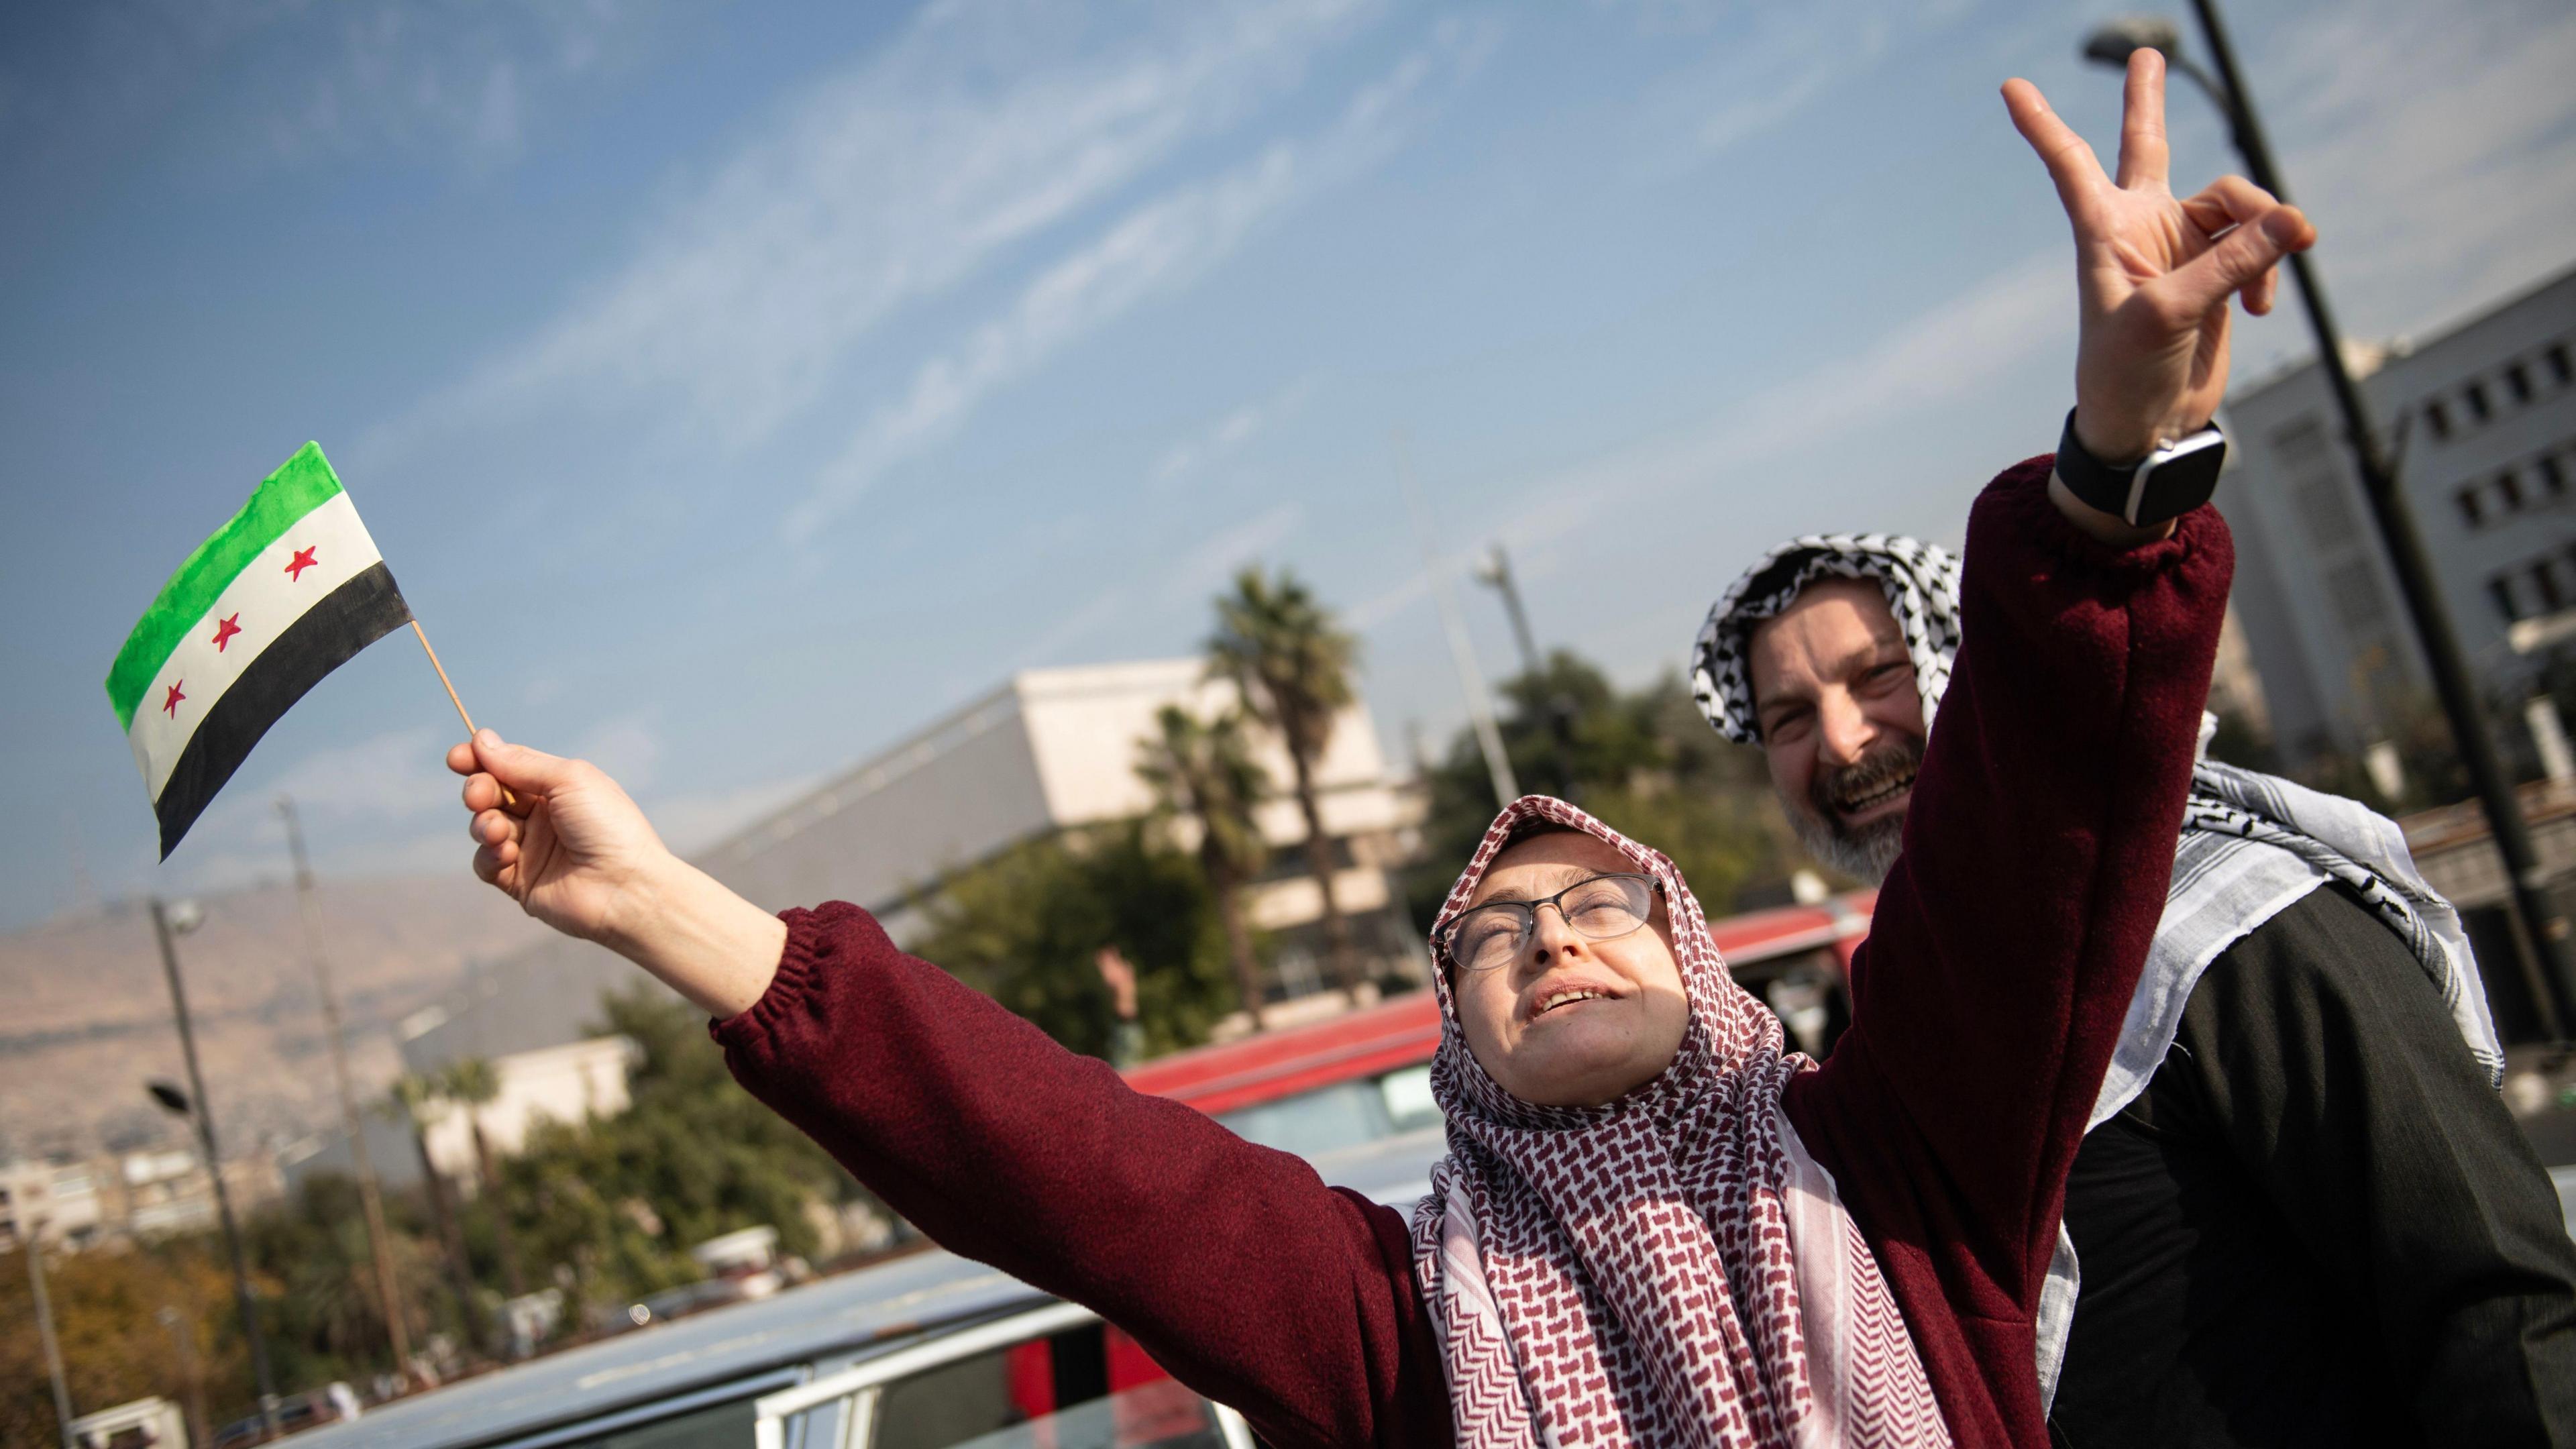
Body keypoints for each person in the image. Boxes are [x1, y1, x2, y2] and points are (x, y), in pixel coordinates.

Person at [446, 56, 2295, 1449]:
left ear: (1698, 955)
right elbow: (1064, 1163)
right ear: (1459, 1049)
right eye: (1493, 937)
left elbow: (2034, 838)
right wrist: (657, 907)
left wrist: (2121, 470)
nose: (1552, 939)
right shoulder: (1393, 1312)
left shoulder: (1905, 1163)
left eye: (1595, 908)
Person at [1690, 349, 2576, 1442]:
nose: (1841, 740)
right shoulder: (1917, 1019)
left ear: (1970, 664)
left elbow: (2498, 1301)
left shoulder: (2227, 912)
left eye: (1878, 675)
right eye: (1786, 718)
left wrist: (2115, 463)